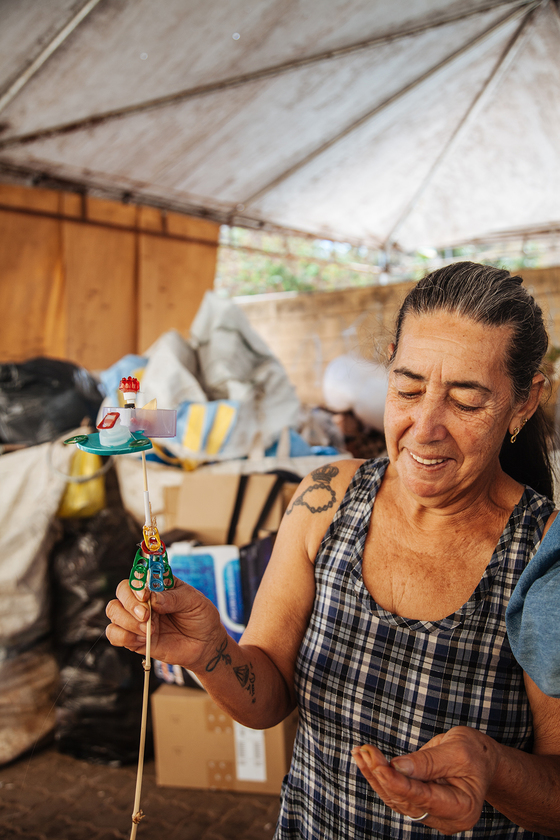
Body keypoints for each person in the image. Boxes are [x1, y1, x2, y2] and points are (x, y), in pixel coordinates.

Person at [106, 262, 560, 838]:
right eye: (409, 387)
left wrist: (492, 769)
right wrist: (208, 651)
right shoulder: (327, 500)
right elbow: (267, 699)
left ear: (524, 402)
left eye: (467, 402)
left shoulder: (544, 557)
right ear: (390, 365)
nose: (425, 427)